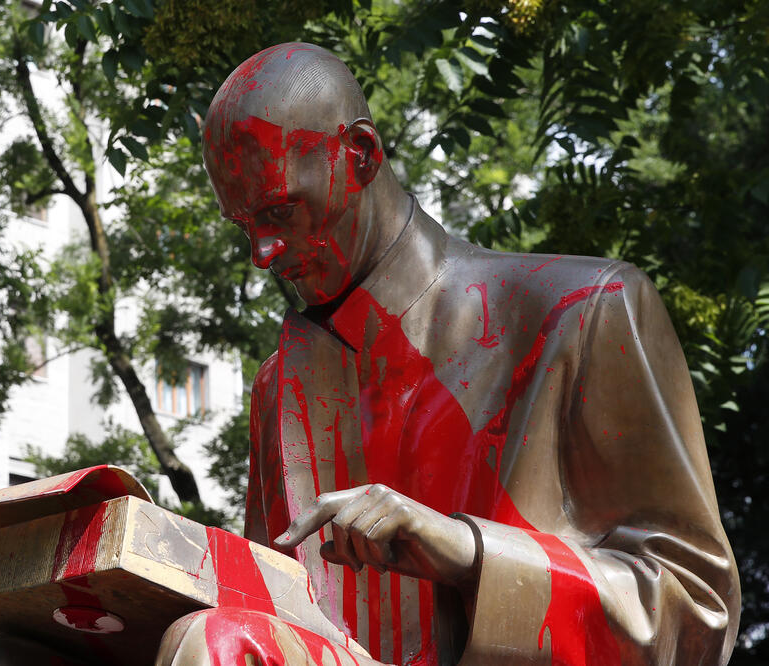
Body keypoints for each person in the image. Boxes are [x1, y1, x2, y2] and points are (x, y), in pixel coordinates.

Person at [156, 42, 740, 665]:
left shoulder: (586, 311)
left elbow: (697, 608)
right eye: (244, 225)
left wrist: (469, 552)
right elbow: (267, 609)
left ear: (361, 154)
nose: (262, 254)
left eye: (278, 210)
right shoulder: (282, 384)